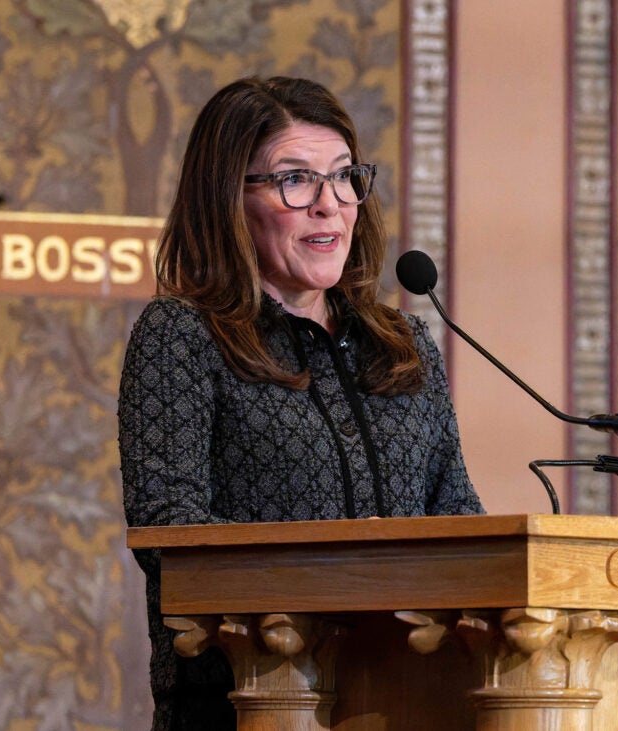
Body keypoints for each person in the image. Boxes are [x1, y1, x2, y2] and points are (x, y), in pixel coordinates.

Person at [118, 76, 484, 731]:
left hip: (415, 699)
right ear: (229, 198)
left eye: (344, 177)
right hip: (248, 701)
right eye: (296, 180)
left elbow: (456, 516)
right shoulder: (182, 333)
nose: (330, 205)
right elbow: (170, 537)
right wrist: (348, 577)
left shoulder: (404, 344)